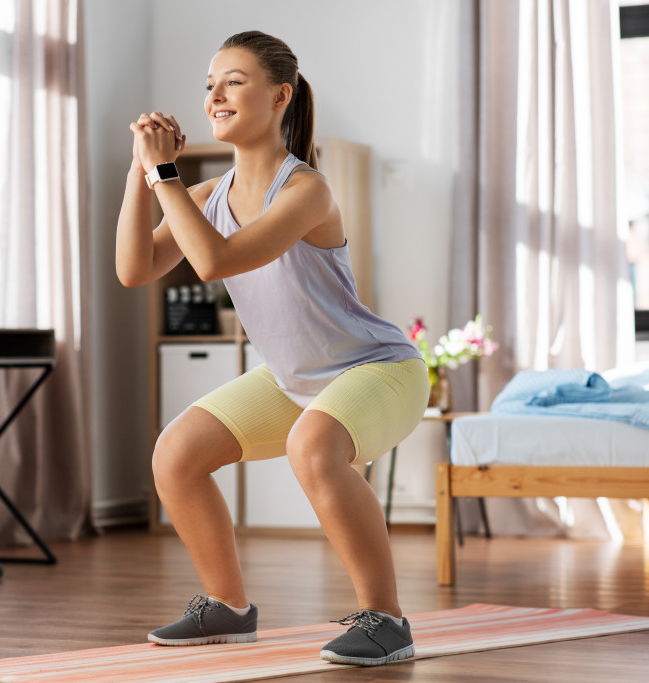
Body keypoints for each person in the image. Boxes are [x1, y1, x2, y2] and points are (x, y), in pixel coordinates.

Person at [115, 30, 429, 667]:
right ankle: (227, 610)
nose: (216, 95)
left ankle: (387, 620)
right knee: (175, 455)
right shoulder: (206, 195)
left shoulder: (306, 190)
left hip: (379, 369)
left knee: (311, 446)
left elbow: (215, 260)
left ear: (280, 95)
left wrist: (166, 173)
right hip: (293, 379)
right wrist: (139, 171)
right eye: (210, 84)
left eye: (233, 80)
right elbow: (134, 268)